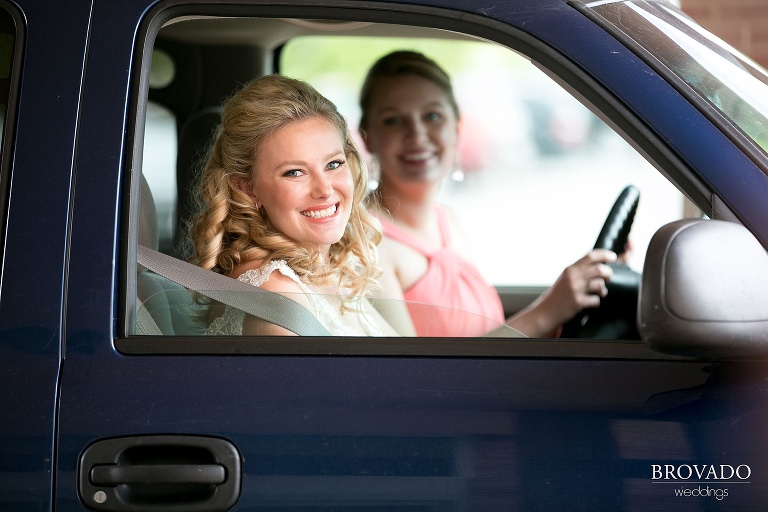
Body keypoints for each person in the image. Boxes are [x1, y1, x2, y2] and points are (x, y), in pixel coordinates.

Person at [358, 50, 618, 338]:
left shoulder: (449, 221)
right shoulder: (366, 245)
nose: (417, 134)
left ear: (456, 129)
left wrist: (574, 294)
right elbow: (413, 372)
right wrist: (547, 311)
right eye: (393, 120)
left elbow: (487, 337)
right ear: (367, 137)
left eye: (432, 116)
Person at [190, 74, 406, 337]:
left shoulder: (331, 270)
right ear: (248, 188)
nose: (325, 190)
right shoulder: (278, 297)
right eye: (294, 172)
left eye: (334, 164)